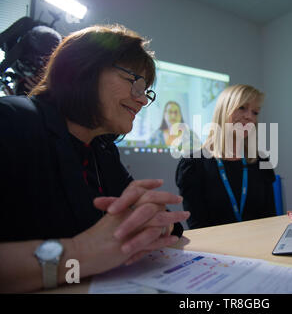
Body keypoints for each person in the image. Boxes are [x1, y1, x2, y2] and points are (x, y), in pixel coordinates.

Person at [0, 24, 190, 293]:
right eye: (134, 80)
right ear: (81, 69)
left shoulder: (101, 149)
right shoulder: (11, 121)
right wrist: (79, 252)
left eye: (146, 89)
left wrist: (156, 221)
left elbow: (165, 223)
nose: (142, 99)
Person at [175, 84, 276, 229]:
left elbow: (270, 220)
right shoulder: (194, 164)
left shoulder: (260, 161)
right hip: (215, 249)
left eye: (255, 112)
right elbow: (198, 226)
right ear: (223, 111)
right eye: (242, 108)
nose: (249, 117)